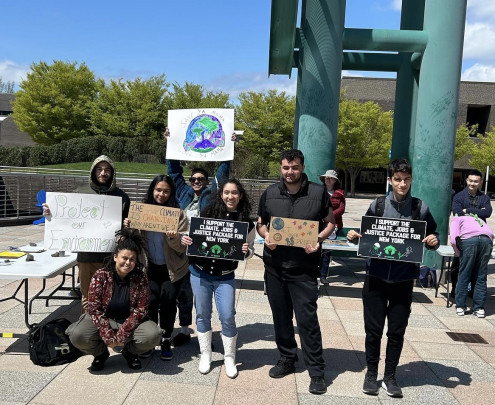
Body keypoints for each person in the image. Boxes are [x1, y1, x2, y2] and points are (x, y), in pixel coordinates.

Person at [347, 158, 439, 398]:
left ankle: (390, 376)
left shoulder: (420, 208)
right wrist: (355, 236)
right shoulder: (377, 205)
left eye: (406, 179)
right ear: (390, 180)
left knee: (397, 331)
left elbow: (433, 235)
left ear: (411, 180)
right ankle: (371, 374)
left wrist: (432, 241)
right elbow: (366, 234)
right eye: (397, 179)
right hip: (375, 277)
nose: (402, 184)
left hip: (403, 280)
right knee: (373, 330)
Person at [256, 149, 336, 395]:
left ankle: (317, 371)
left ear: (302, 167)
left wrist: (319, 240)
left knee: (307, 321)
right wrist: (266, 236)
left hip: (304, 269)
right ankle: (287, 358)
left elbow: (330, 222)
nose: (290, 172)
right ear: (281, 168)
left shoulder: (318, 192)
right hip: (275, 267)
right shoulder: (269, 193)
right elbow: (260, 223)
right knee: (280, 318)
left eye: (294, 167)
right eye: (285, 168)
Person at [181, 178, 255, 378]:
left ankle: (229, 356)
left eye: (234, 193)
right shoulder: (207, 213)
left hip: (225, 277)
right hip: (200, 273)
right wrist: (185, 239)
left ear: (240, 196)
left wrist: (246, 251)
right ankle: (205, 353)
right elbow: (189, 236)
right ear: (221, 194)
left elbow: (249, 251)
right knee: (203, 314)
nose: (230, 196)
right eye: (226, 192)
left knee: (227, 316)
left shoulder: (247, 223)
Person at [164, 128, 232, 347]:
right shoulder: (182, 193)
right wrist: (171, 142)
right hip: (180, 248)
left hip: (202, 250)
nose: (196, 181)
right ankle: (184, 329)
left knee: (203, 297)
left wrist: (229, 147)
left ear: (206, 181)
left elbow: (222, 176)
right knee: (183, 293)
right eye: (193, 178)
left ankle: (207, 333)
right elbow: (173, 172)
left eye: (201, 179)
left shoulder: (212, 194)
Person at [43, 155, 130, 312]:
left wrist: (127, 227)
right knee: (88, 296)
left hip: (111, 258)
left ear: (112, 173)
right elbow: (66, 216)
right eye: (99, 169)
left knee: (110, 296)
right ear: (93, 171)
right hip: (86, 257)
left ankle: (106, 330)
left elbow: (127, 228)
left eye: (107, 170)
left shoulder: (122, 197)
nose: (103, 173)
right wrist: (51, 212)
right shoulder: (80, 192)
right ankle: (87, 331)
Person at [66, 228, 162, 372]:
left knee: (153, 335)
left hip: (128, 319)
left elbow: (141, 309)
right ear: (115, 256)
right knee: (77, 335)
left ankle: (130, 352)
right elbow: (94, 308)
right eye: (124, 258)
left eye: (132, 259)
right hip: (104, 317)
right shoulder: (101, 275)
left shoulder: (140, 278)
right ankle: (100, 354)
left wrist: (122, 334)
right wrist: (108, 335)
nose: (128, 262)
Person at [124, 175, 189, 360]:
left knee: (168, 304)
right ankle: (152, 339)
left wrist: (173, 237)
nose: (161, 194)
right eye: (158, 190)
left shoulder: (178, 215)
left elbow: (182, 247)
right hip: (148, 266)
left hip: (172, 269)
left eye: (166, 191)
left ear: (171, 193)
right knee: (150, 302)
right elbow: (132, 240)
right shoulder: (141, 211)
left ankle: (166, 338)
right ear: (152, 190)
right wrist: (129, 227)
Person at [450, 169, 492, 299]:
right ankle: (455, 289)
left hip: (480, 235)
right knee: (457, 264)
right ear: (467, 180)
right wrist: (478, 211)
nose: (472, 183)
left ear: (480, 183)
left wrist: (467, 210)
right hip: (463, 236)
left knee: (477, 267)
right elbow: (457, 213)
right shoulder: (458, 197)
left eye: (476, 181)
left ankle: (473, 291)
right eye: (470, 180)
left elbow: (488, 213)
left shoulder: (484, 198)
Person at [450, 214, 493, 318]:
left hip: (469, 240)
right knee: (481, 276)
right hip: (487, 240)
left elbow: (453, 240)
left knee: (464, 274)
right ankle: (479, 308)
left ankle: (460, 306)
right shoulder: (478, 219)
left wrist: (459, 254)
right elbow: (491, 234)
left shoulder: (457, 219)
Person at [318, 169, 346, 283]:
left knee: (327, 251)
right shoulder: (319, 191)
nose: (327, 179)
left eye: (330, 178)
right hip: (320, 224)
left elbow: (342, 208)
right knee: (317, 248)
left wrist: (329, 217)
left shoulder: (339, 194)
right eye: (326, 177)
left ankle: (323, 274)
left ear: (335, 180)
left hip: (335, 225)